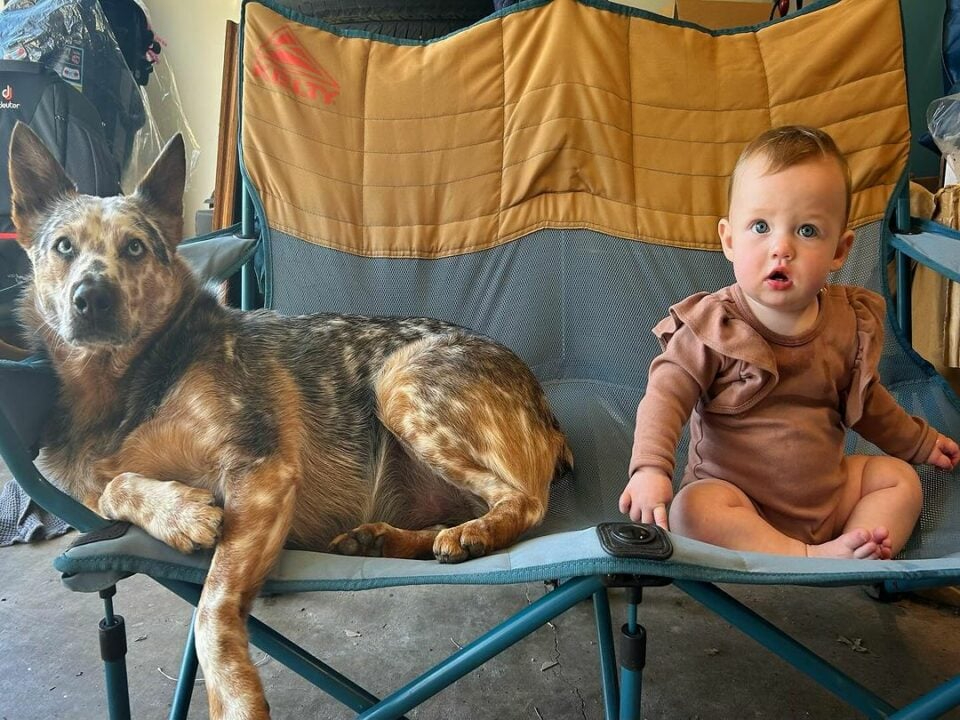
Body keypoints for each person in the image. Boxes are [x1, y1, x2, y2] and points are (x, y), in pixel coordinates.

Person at [619, 125, 960, 559]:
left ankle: (857, 548)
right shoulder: (714, 326)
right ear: (728, 239)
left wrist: (920, 442)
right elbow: (664, 396)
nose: (781, 247)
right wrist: (651, 468)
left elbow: (869, 405)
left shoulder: (846, 323)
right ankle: (811, 558)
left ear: (840, 250)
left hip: (831, 499)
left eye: (807, 231)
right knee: (693, 510)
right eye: (760, 226)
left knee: (897, 479)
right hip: (741, 505)